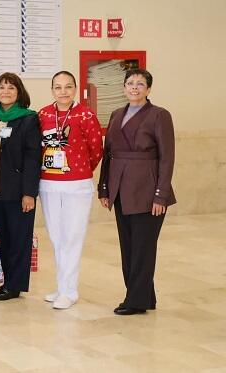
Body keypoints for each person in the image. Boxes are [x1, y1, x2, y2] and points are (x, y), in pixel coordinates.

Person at [98, 69, 175, 315]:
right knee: (129, 246)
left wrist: (160, 195)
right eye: (130, 83)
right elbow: (108, 154)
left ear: (149, 89)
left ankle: (135, 301)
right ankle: (145, 296)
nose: (134, 87)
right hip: (121, 189)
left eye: (140, 84)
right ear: (124, 87)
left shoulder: (159, 115)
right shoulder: (116, 114)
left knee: (143, 248)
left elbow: (167, 158)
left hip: (147, 190)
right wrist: (104, 187)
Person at [38, 71, 103, 310]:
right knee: (56, 237)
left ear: (75, 89)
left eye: (68, 87)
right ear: (52, 90)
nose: (63, 91)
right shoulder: (44, 114)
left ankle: (70, 291)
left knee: (72, 236)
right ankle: (62, 286)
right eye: (58, 87)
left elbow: (96, 150)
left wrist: (80, 169)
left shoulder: (85, 114)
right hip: (48, 184)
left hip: (77, 185)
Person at [0, 73, 41, 301]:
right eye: (2, 87)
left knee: (19, 239)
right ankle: (8, 281)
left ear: (19, 92)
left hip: (17, 192)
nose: (5, 92)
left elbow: (32, 159)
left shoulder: (27, 119)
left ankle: (15, 285)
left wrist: (29, 193)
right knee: (4, 238)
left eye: (11, 88)